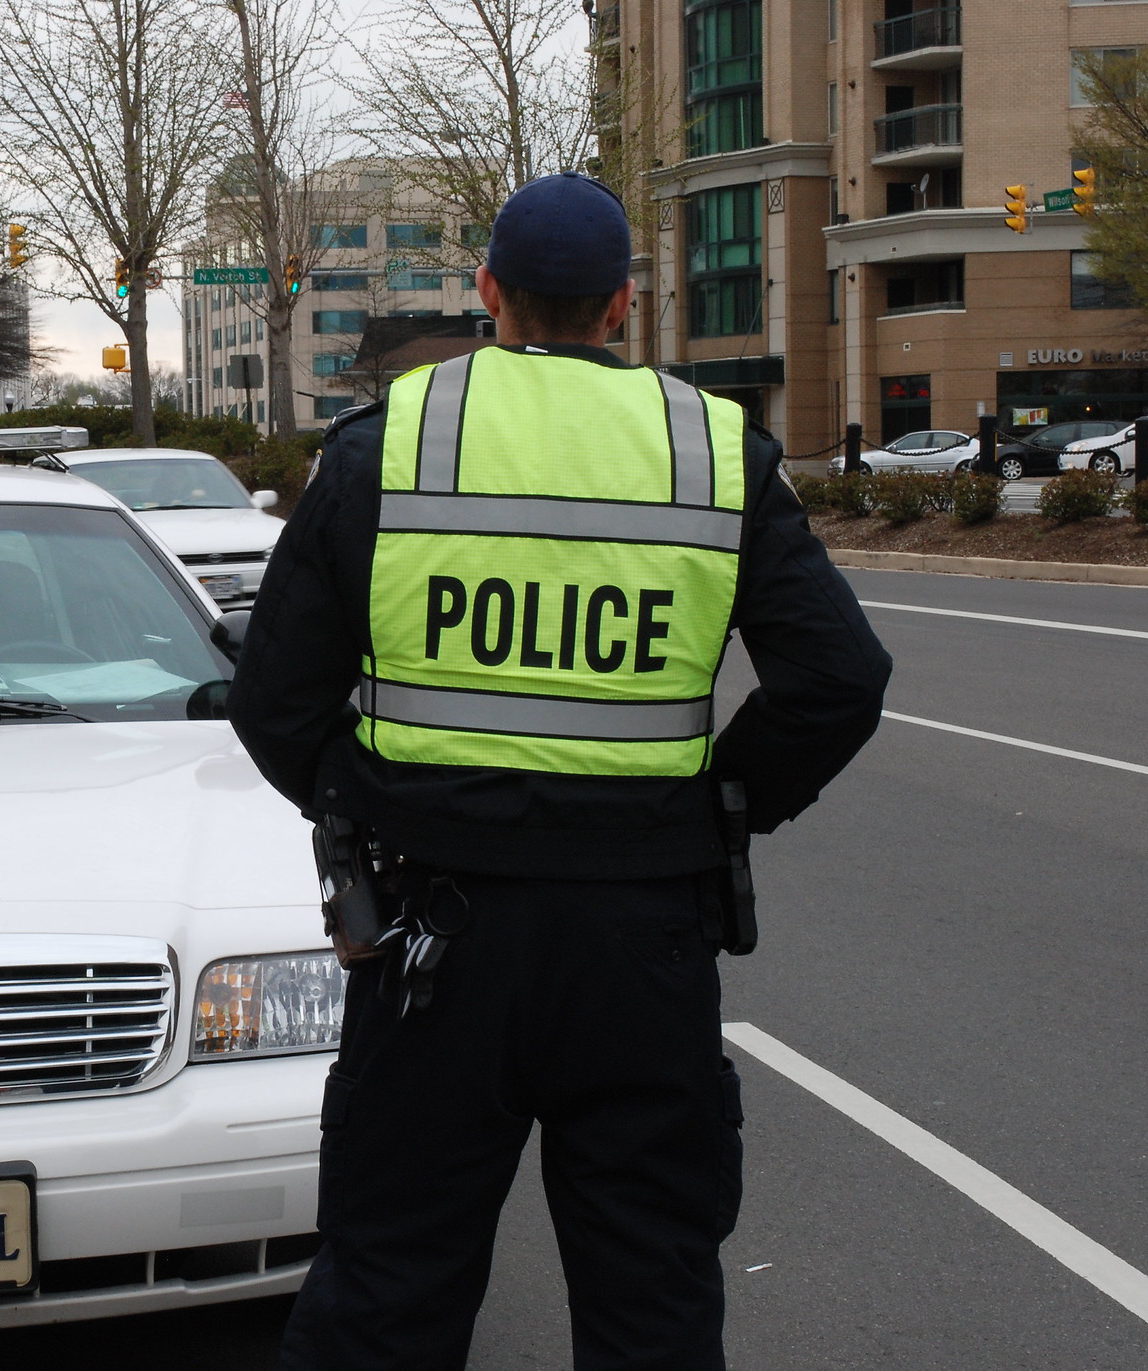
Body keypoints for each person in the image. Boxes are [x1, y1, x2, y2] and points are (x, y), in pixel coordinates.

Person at [228, 172, 891, 1370]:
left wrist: (363, 812)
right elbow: (837, 679)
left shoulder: (391, 442)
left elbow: (274, 700)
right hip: (640, 947)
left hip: (429, 940)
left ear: (487, 293)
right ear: (622, 305)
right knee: (649, 1299)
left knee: (387, 1292)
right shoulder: (711, 450)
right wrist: (721, 806)